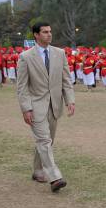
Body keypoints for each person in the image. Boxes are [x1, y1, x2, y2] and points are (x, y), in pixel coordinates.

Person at [16, 22, 75, 192]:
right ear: (36, 35)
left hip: (54, 105)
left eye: (50, 31)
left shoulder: (60, 53)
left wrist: (69, 100)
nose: (49, 34)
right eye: (44, 32)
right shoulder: (26, 57)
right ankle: (54, 177)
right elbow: (22, 87)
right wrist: (26, 108)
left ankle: (37, 170)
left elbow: (66, 79)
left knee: (47, 142)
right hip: (36, 106)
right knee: (44, 140)